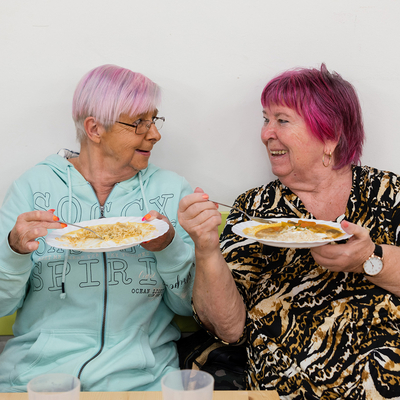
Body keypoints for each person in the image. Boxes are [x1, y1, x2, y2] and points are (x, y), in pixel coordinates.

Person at [178, 64, 400, 399]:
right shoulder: (255, 209)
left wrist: (370, 258)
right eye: (265, 119)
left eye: (281, 120)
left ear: (330, 135)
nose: (266, 133)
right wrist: (205, 248)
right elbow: (228, 327)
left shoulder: (389, 192)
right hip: (285, 386)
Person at [0, 64, 195, 392]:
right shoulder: (33, 188)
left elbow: (187, 308)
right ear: (94, 128)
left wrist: (170, 248)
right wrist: (14, 251)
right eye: (139, 123)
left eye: (154, 119)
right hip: (35, 380)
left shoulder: (171, 191)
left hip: (143, 383)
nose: (155, 133)